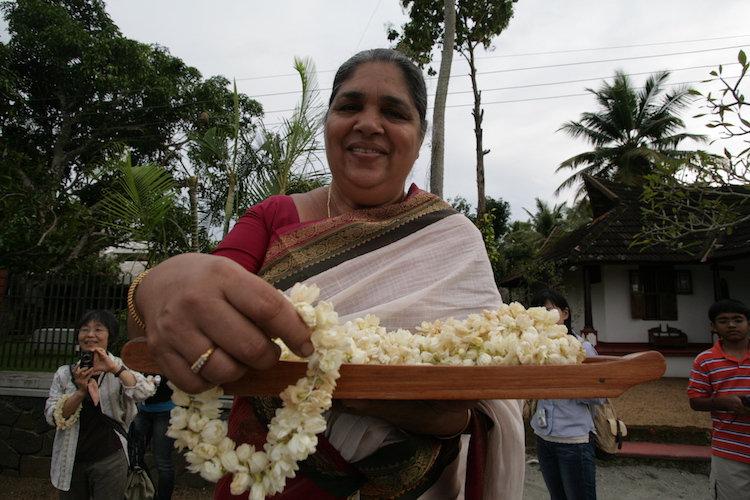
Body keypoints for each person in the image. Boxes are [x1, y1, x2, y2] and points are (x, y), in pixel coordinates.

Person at [127, 48, 525, 499]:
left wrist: (447, 417)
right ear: (329, 123)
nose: (369, 124)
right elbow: (177, 318)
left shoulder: (453, 240)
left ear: (420, 138)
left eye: (393, 112)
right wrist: (152, 289)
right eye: (349, 106)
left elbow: (488, 394)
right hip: (269, 481)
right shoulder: (272, 218)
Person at [45, 309, 155, 499]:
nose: (90, 335)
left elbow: (144, 391)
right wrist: (80, 392)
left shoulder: (119, 367)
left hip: (110, 457)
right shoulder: (65, 374)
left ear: (109, 336)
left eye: (98, 329)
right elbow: (53, 416)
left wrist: (114, 369)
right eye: (84, 329)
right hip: (70, 458)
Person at [529, 289, 603, 500]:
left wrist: (565, 383)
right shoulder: (535, 349)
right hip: (543, 437)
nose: (544, 316)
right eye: (538, 311)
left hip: (573, 439)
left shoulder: (582, 348)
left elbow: (599, 395)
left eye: (550, 311)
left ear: (565, 314)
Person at [687, 298, 750, 500]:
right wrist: (724, 401)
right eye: (723, 321)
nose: (731, 325)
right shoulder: (705, 360)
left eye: (738, 319)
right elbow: (695, 401)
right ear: (714, 326)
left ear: (749, 323)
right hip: (730, 449)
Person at [133, 374, 176, 500]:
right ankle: (149, 492)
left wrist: (156, 380)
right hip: (143, 409)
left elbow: (176, 374)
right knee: (134, 455)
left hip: (166, 411)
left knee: (162, 460)